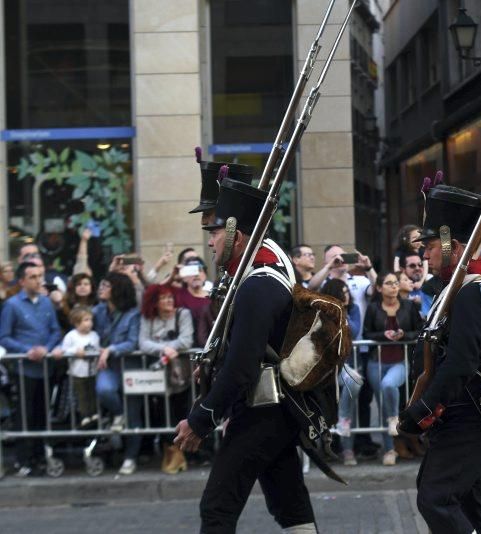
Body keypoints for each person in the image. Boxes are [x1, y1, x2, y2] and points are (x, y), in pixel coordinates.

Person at [173, 178, 316, 533]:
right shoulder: (259, 271)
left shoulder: (258, 283)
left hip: (264, 409)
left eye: (215, 231)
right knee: (289, 505)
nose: (209, 241)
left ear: (236, 234)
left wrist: (202, 417)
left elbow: (242, 365)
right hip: (274, 408)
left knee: (217, 508)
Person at [398, 184, 481, 533]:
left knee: (435, 498)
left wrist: (422, 409)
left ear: (452, 247)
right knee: (476, 511)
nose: (426, 257)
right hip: (463, 413)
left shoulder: (474, 290)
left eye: (430, 248)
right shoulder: (458, 287)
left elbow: (461, 362)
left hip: (469, 415)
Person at [0, 262, 63, 476]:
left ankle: (39, 456)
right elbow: (5, 337)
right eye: (33, 276)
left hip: (45, 367)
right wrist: (28, 350)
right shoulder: (12, 305)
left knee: (41, 413)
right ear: (22, 281)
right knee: (24, 415)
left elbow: (55, 331)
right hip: (23, 368)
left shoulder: (46, 303)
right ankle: (23, 460)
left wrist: (47, 348)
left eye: (40, 275)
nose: (38, 280)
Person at [362, 272, 423, 466]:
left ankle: (396, 421)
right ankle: (389, 449)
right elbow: (367, 333)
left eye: (396, 283)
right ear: (379, 288)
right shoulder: (373, 308)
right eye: (388, 283)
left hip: (400, 360)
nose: (394, 286)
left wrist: (404, 334)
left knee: (389, 385)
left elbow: (420, 330)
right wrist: (384, 335)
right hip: (376, 362)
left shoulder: (409, 306)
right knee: (383, 406)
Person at [139, 284, 194, 474]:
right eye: (163, 298)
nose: (168, 301)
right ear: (155, 301)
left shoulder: (183, 314)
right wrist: (164, 349)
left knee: (180, 411)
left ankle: (179, 455)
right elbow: (143, 342)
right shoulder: (149, 318)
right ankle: (168, 453)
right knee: (160, 414)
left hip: (180, 375)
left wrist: (171, 347)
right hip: (157, 377)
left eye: (171, 297)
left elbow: (187, 339)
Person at [93, 272, 141, 474]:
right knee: (104, 390)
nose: (101, 288)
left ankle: (131, 457)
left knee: (134, 414)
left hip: (130, 366)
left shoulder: (133, 313)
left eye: (106, 285)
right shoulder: (97, 311)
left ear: (118, 289)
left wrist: (110, 350)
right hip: (109, 367)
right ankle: (118, 415)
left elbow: (132, 342)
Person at [319, 279, 363, 466]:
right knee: (322, 407)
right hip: (325, 367)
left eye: (347, 290)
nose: (346, 294)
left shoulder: (352, 310)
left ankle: (347, 447)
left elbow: (353, 330)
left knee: (353, 382)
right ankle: (322, 448)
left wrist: (341, 314)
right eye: (342, 291)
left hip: (347, 366)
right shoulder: (322, 312)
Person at [60, 306, 100, 427]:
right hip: (77, 371)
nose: (89, 323)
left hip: (92, 370)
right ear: (77, 323)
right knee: (81, 394)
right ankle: (84, 415)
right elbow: (65, 350)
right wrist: (75, 351)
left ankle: (94, 413)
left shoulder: (94, 335)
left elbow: (97, 348)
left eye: (90, 320)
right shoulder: (71, 336)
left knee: (92, 392)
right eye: (86, 320)